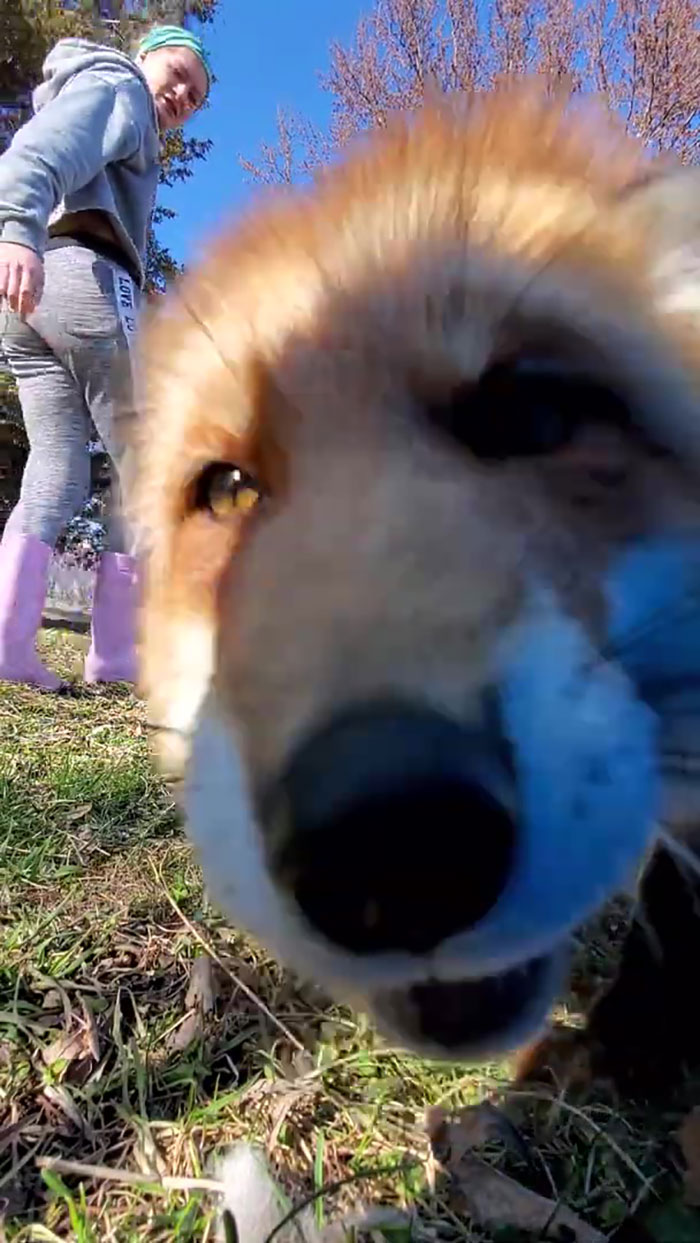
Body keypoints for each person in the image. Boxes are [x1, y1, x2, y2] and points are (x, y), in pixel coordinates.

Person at [0, 24, 211, 690]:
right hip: (77, 276)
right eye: (177, 72)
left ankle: (8, 645)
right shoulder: (117, 85)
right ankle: (116, 655)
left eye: (195, 95)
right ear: (145, 55)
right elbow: (42, 150)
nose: (181, 93)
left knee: (58, 467)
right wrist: (15, 227)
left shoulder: (111, 94)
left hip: (34, 299)